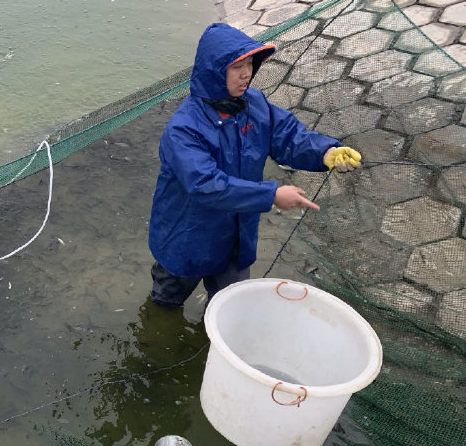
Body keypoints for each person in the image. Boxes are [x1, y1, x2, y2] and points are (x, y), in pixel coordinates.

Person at [147, 22, 361, 309]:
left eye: (249, 63)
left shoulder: (254, 104)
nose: (246, 73)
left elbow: (287, 135)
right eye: (237, 67)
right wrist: (271, 195)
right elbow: (206, 185)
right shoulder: (183, 130)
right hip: (186, 236)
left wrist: (326, 152)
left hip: (235, 234)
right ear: (214, 70)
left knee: (233, 306)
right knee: (165, 302)